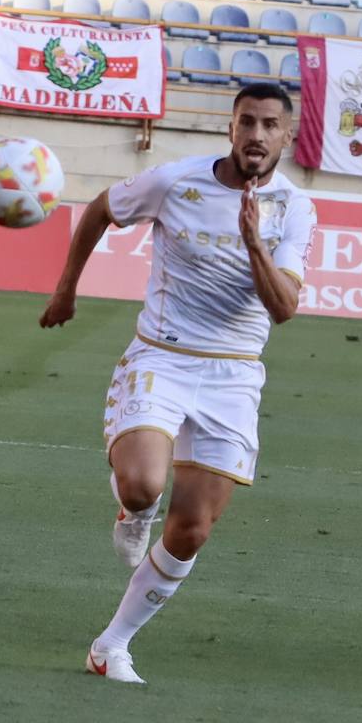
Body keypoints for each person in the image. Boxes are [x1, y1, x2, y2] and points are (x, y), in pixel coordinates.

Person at [39, 83, 317, 685]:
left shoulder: (295, 208)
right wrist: (66, 288)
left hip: (234, 374)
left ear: (288, 135)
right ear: (230, 128)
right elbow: (100, 210)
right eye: (248, 122)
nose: (258, 136)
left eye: (271, 125)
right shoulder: (175, 182)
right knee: (142, 487)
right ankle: (132, 509)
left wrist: (253, 244)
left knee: (190, 531)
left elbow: (285, 306)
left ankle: (112, 644)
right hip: (162, 355)